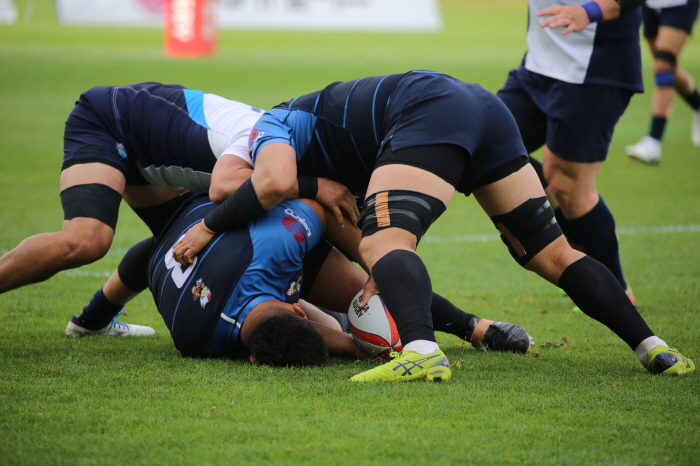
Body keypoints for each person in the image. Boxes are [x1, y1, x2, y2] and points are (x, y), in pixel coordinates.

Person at [170, 70, 695, 381]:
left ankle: (422, 353)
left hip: (427, 108)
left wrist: (209, 227)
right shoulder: (332, 166)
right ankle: (653, 346)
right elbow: (351, 239)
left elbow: (273, 183)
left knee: (387, 242)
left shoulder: (271, 124)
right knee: (551, 253)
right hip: (485, 110)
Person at [0, 81, 357, 334]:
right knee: (86, 240)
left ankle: (91, 321)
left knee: (177, 238)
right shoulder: (268, 143)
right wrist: (316, 187)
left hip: (151, 152)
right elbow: (225, 187)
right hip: (110, 121)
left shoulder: (291, 150)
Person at [144, 191, 533, 364]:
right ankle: (100, 313)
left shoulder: (278, 246)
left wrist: (377, 263)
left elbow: (322, 208)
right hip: (166, 246)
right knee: (350, 311)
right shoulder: (194, 343)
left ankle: (473, 327)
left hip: (213, 204)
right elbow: (143, 265)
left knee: (367, 286)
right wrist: (356, 347)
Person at [496, 0, 652, 308]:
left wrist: (589, 11)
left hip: (595, 71)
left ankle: (616, 293)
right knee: (491, 150)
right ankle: (575, 241)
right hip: (537, 67)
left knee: (569, 188)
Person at [625, 0, 700, 163]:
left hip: (679, 4)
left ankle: (653, 141)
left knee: (663, 67)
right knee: (667, 68)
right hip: (649, 5)